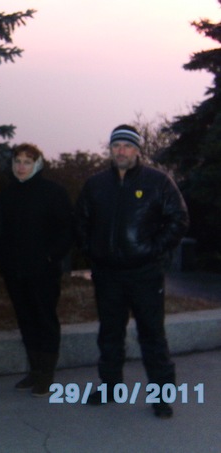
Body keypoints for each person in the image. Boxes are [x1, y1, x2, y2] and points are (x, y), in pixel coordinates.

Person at [75, 124, 189, 419]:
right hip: (108, 275)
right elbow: (81, 222)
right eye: (116, 146)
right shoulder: (96, 184)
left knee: (152, 335)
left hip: (145, 274)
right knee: (109, 334)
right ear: (110, 150)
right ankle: (111, 387)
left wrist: (153, 250)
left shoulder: (158, 182)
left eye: (127, 146)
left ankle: (162, 396)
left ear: (137, 150)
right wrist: (93, 252)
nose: (121, 151)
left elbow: (178, 219)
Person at [0, 143, 74, 397]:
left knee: (45, 320)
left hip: (44, 272)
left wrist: (51, 257)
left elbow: (67, 230)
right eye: (17, 161)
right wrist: (2, 258)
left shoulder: (53, 192)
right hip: (15, 271)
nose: (21, 167)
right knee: (26, 320)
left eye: (27, 162)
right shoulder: (7, 194)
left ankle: (46, 374)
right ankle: (34, 370)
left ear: (37, 164)